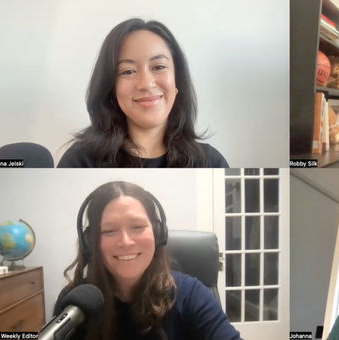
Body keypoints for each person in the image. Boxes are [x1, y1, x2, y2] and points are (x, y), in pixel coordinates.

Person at [55, 181, 240, 339]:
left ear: (158, 233)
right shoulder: (74, 304)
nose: (126, 242)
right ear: (90, 242)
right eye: (109, 231)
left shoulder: (191, 295)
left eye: (137, 227)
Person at [58, 19, 228, 167]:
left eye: (159, 67)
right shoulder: (80, 161)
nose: (146, 84)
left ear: (177, 81)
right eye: (128, 71)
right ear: (111, 87)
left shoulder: (210, 162)